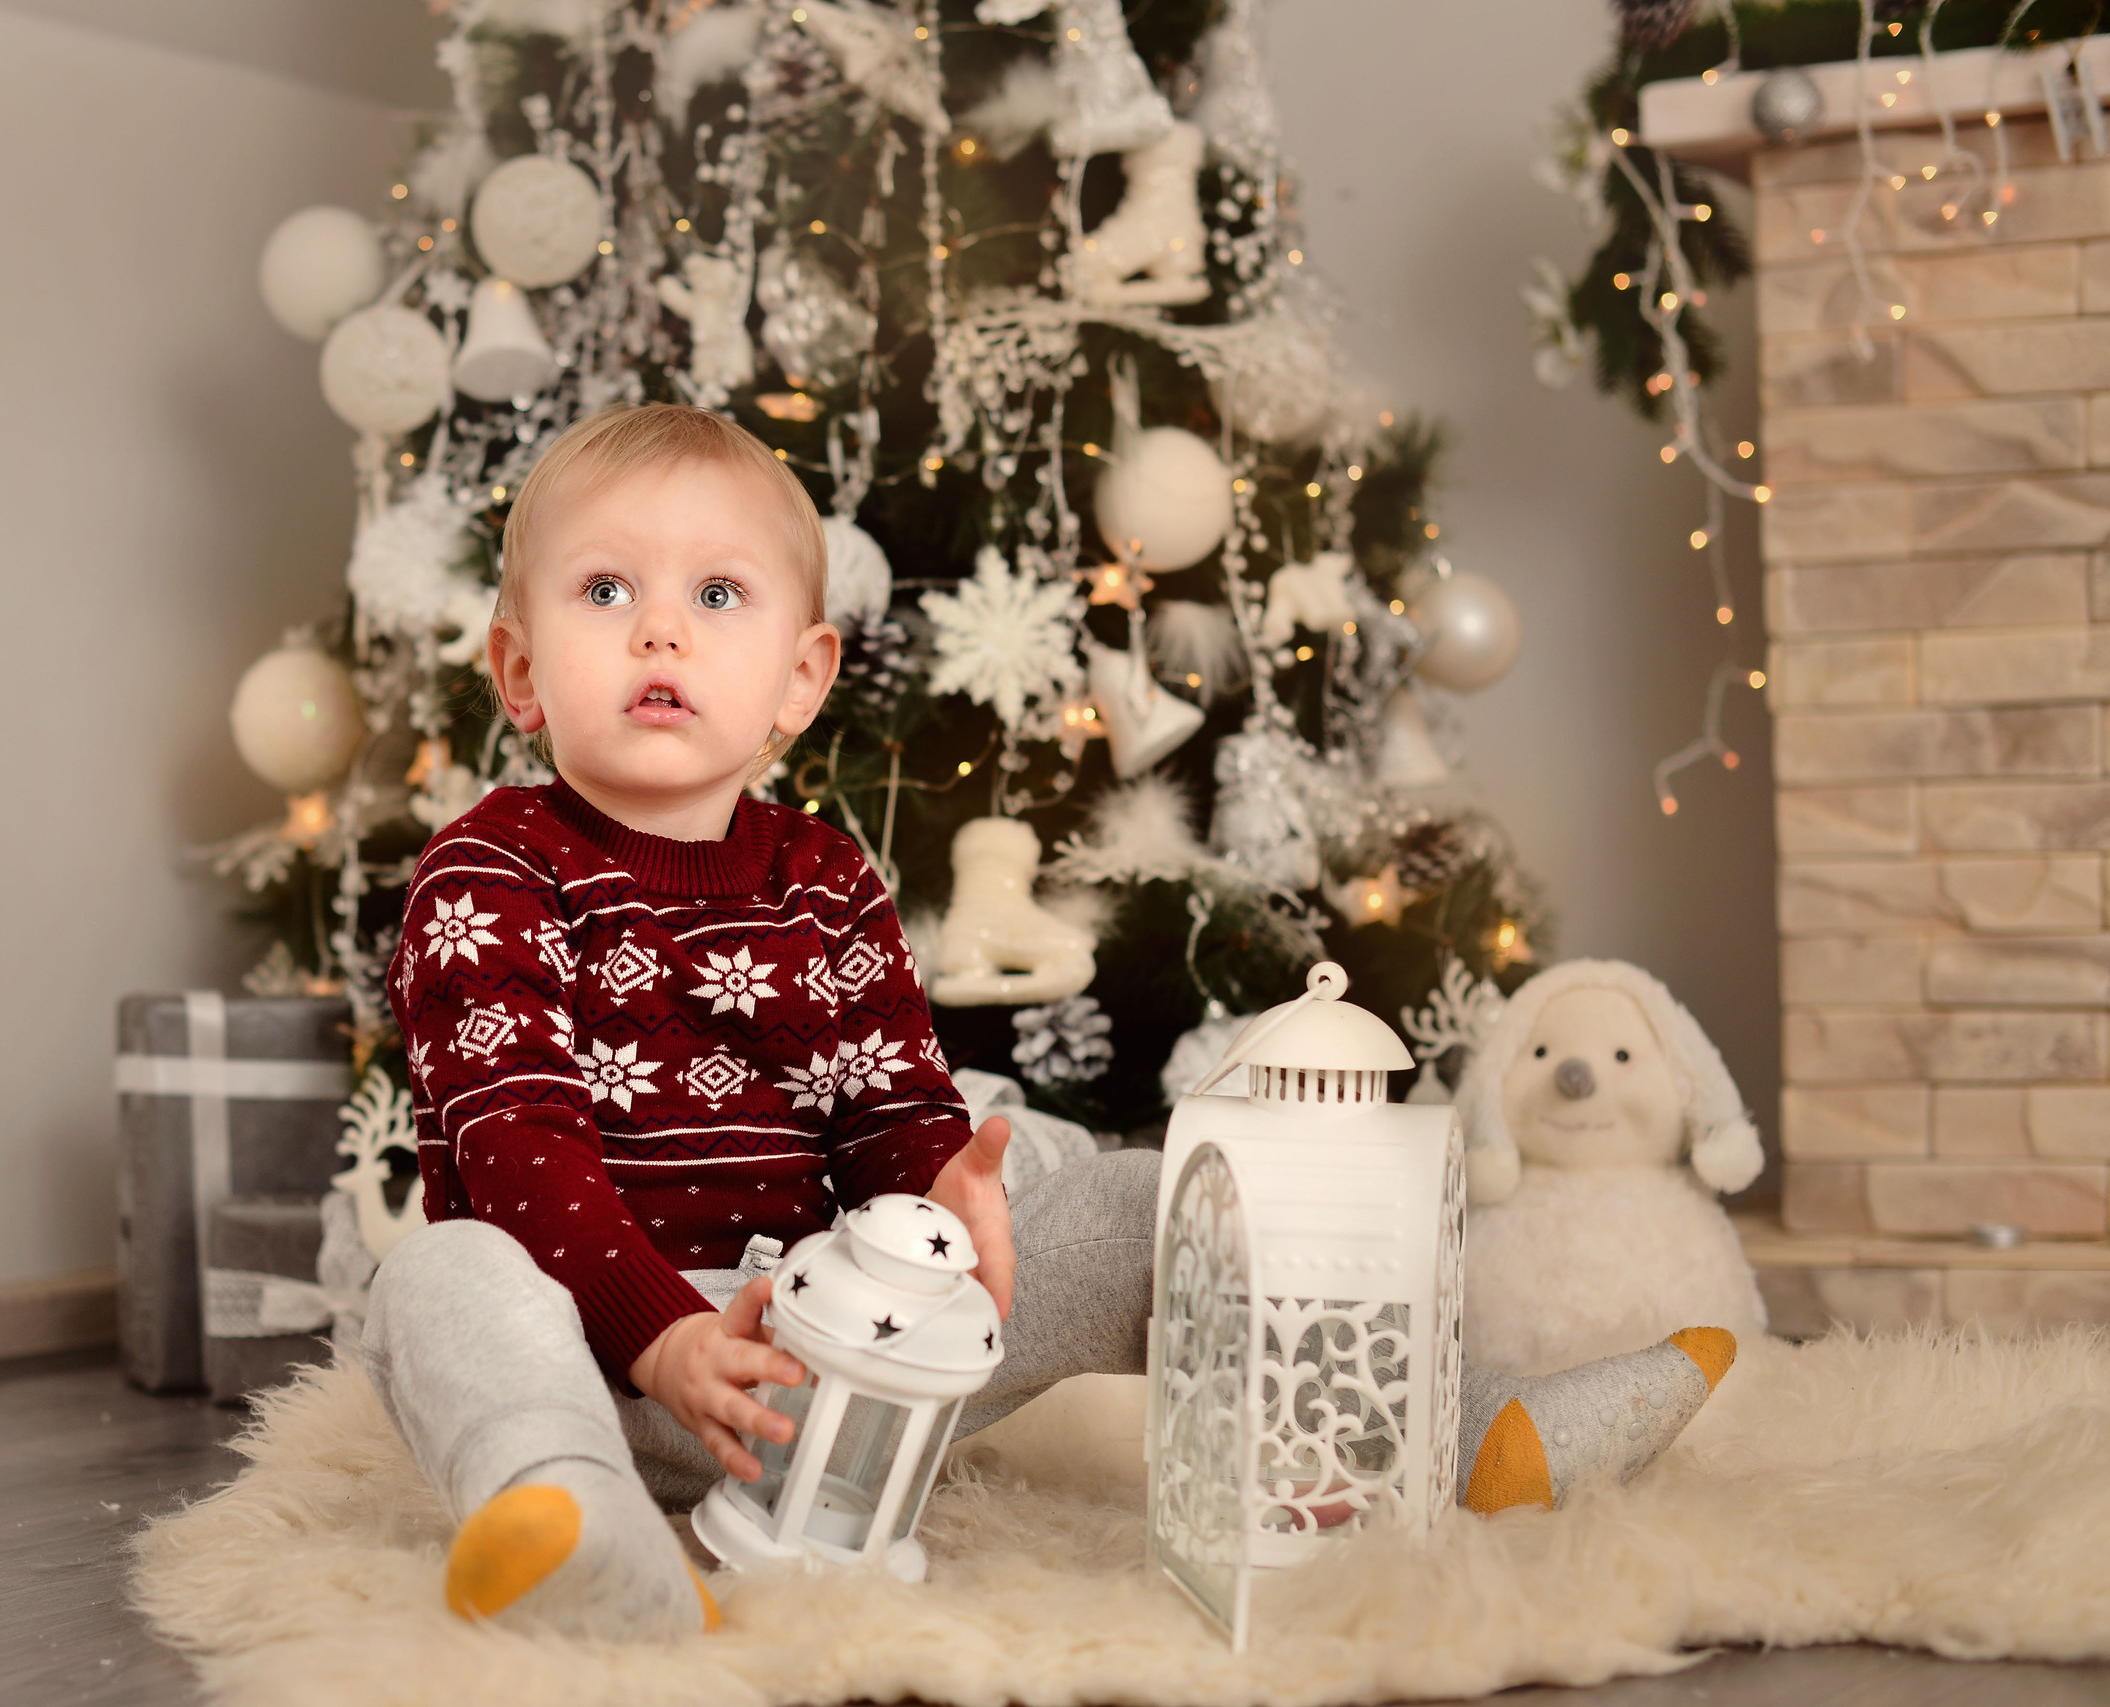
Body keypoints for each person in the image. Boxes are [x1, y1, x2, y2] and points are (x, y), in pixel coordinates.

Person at [366, 404, 1734, 1645]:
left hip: (839, 1363)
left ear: (799, 679)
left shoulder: (824, 877)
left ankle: (1465, 1427)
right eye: (607, 590)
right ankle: (573, 1518)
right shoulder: (489, 873)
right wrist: (666, 1338)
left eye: (716, 595)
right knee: (441, 1277)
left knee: (1150, 1201)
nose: (660, 631)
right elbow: (516, 1147)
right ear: (521, 670)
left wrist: (941, 1199)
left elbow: (890, 1105)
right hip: (602, 1366)